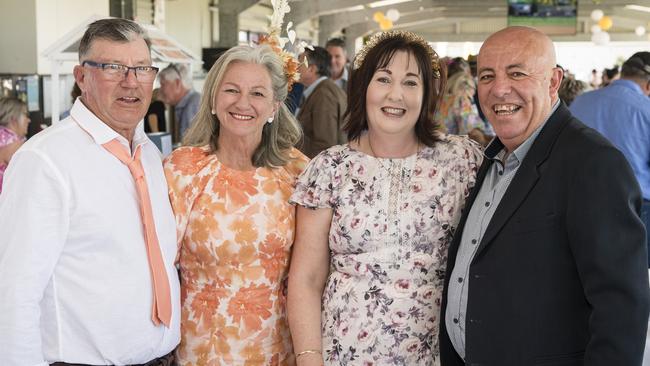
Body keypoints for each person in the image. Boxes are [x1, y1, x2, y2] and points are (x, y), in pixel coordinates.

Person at [440, 26, 649, 366]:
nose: (499, 89)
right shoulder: (491, 159)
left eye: (517, 73)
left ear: (553, 82)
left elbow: (621, 307)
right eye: (487, 76)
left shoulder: (593, 162)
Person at [288, 30, 482, 365]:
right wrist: (309, 358)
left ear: (427, 94)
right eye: (384, 79)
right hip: (343, 353)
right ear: (363, 87)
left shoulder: (462, 161)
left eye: (410, 82)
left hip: (437, 355)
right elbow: (306, 280)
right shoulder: (329, 169)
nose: (396, 95)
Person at [0, 18, 180, 365]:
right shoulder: (45, 161)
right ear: (81, 77)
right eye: (114, 68)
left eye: (142, 68)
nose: (132, 82)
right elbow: (13, 293)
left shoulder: (151, 156)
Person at [163, 43, 307, 365]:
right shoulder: (183, 170)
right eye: (231, 90)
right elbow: (157, 265)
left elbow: (312, 272)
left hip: (278, 349)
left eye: (258, 93)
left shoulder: (297, 172)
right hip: (203, 349)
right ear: (214, 98)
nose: (243, 103)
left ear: (274, 107)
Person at [570, 51, 650, 265]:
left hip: (581, 203)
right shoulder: (646, 109)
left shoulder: (580, 102)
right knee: (636, 277)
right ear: (648, 85)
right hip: (638, 208)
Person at [296, 46, 347, 158]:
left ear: (312, 69)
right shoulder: (322, 90)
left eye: (300, 63)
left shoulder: (324, 95)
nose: (296, 67)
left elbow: (325, 147)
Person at [434, 62, 493, 146]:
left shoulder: (439, 99)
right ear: (468, 87)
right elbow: (473, 133)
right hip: (451, 150)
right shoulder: (462, 101)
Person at [158, 63, 201, 138]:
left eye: (163, 84)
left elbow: (195, 144)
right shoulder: (192, 101)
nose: (160, 89)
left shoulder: (193, 104)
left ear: (177, 83)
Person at [0, 97, 29, 194]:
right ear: (14, 119)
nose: (28, 120)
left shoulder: (3, 139)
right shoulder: (15, 145)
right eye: (25, 115)